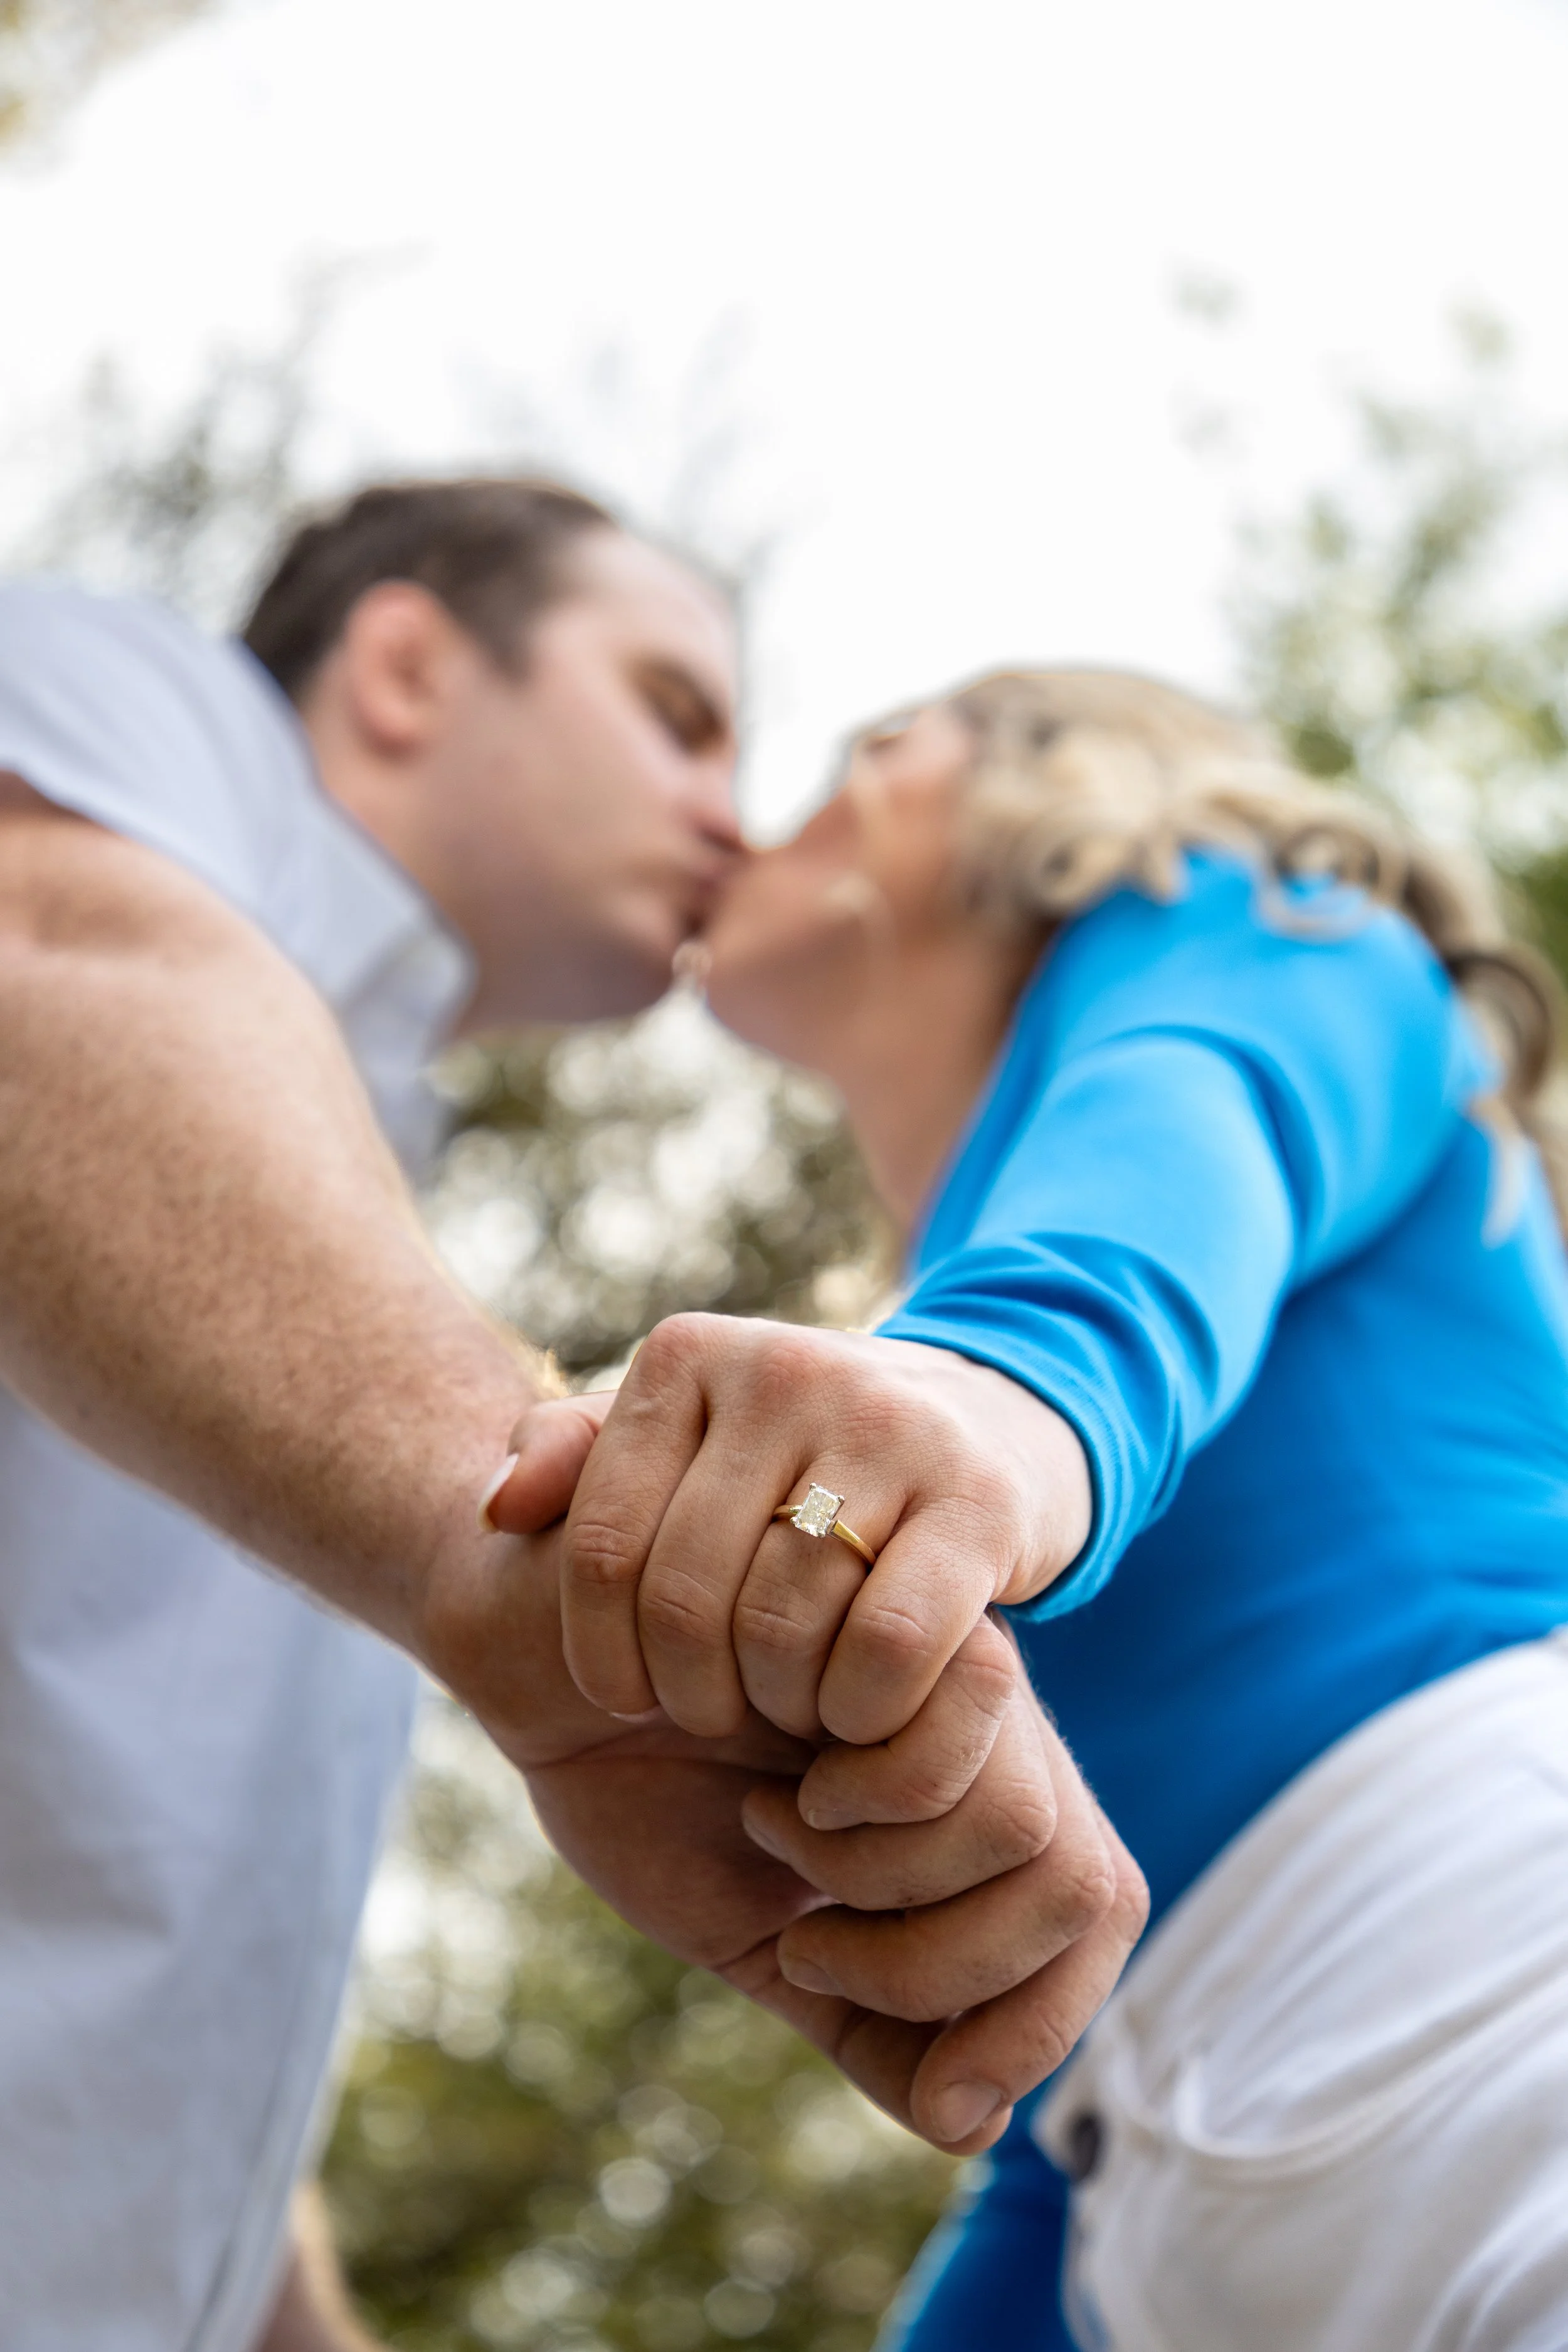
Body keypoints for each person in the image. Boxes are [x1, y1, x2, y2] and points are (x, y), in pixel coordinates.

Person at [0, 497, 1142, 2352]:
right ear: (403, 667)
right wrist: (504, 1532)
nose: (730, 812)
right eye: (674, 709)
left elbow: (139, 1921)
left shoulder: (329, 1242)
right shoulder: (114, 695)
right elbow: (45, 951)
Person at [501, 667, 1568, 2349]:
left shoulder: (1275, 927)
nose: (754, 818)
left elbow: (1194, 1119)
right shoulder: (940, 1302)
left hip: (1489, 1920)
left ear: (1050, 783)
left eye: (868, 743)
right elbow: (1090, 2003)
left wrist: (996, 1391)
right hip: (1152, 2159)